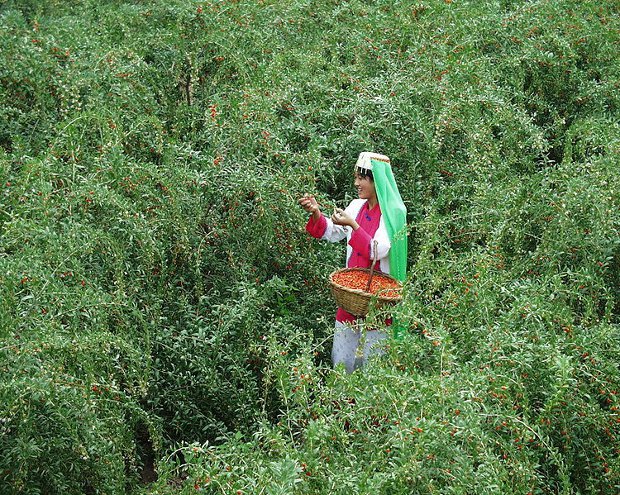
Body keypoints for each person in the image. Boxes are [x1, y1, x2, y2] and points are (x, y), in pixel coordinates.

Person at [298, 152, 407, 373]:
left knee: (374, 362)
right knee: (342, 357)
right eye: (356, 177)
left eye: (362, 178)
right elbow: (333, 231)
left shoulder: (393, 211)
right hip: (352, 295)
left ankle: (370, 407)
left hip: (378, 299)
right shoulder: (356, 206)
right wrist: (317, 213)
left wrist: (354, 226)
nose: (356, 183)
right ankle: (340, 401)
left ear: (376, 180)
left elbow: (379, 250)